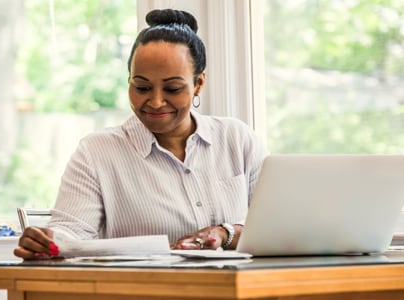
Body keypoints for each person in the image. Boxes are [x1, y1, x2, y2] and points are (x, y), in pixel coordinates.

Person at [14, 8, 267, 259]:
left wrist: (225, 233)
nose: (155, 102)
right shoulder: (96, 152)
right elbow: (71, 232)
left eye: (172, 88)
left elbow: (275, 228)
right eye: (142, 87)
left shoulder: (237, 139)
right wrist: (46, 241)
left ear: (198, 84)